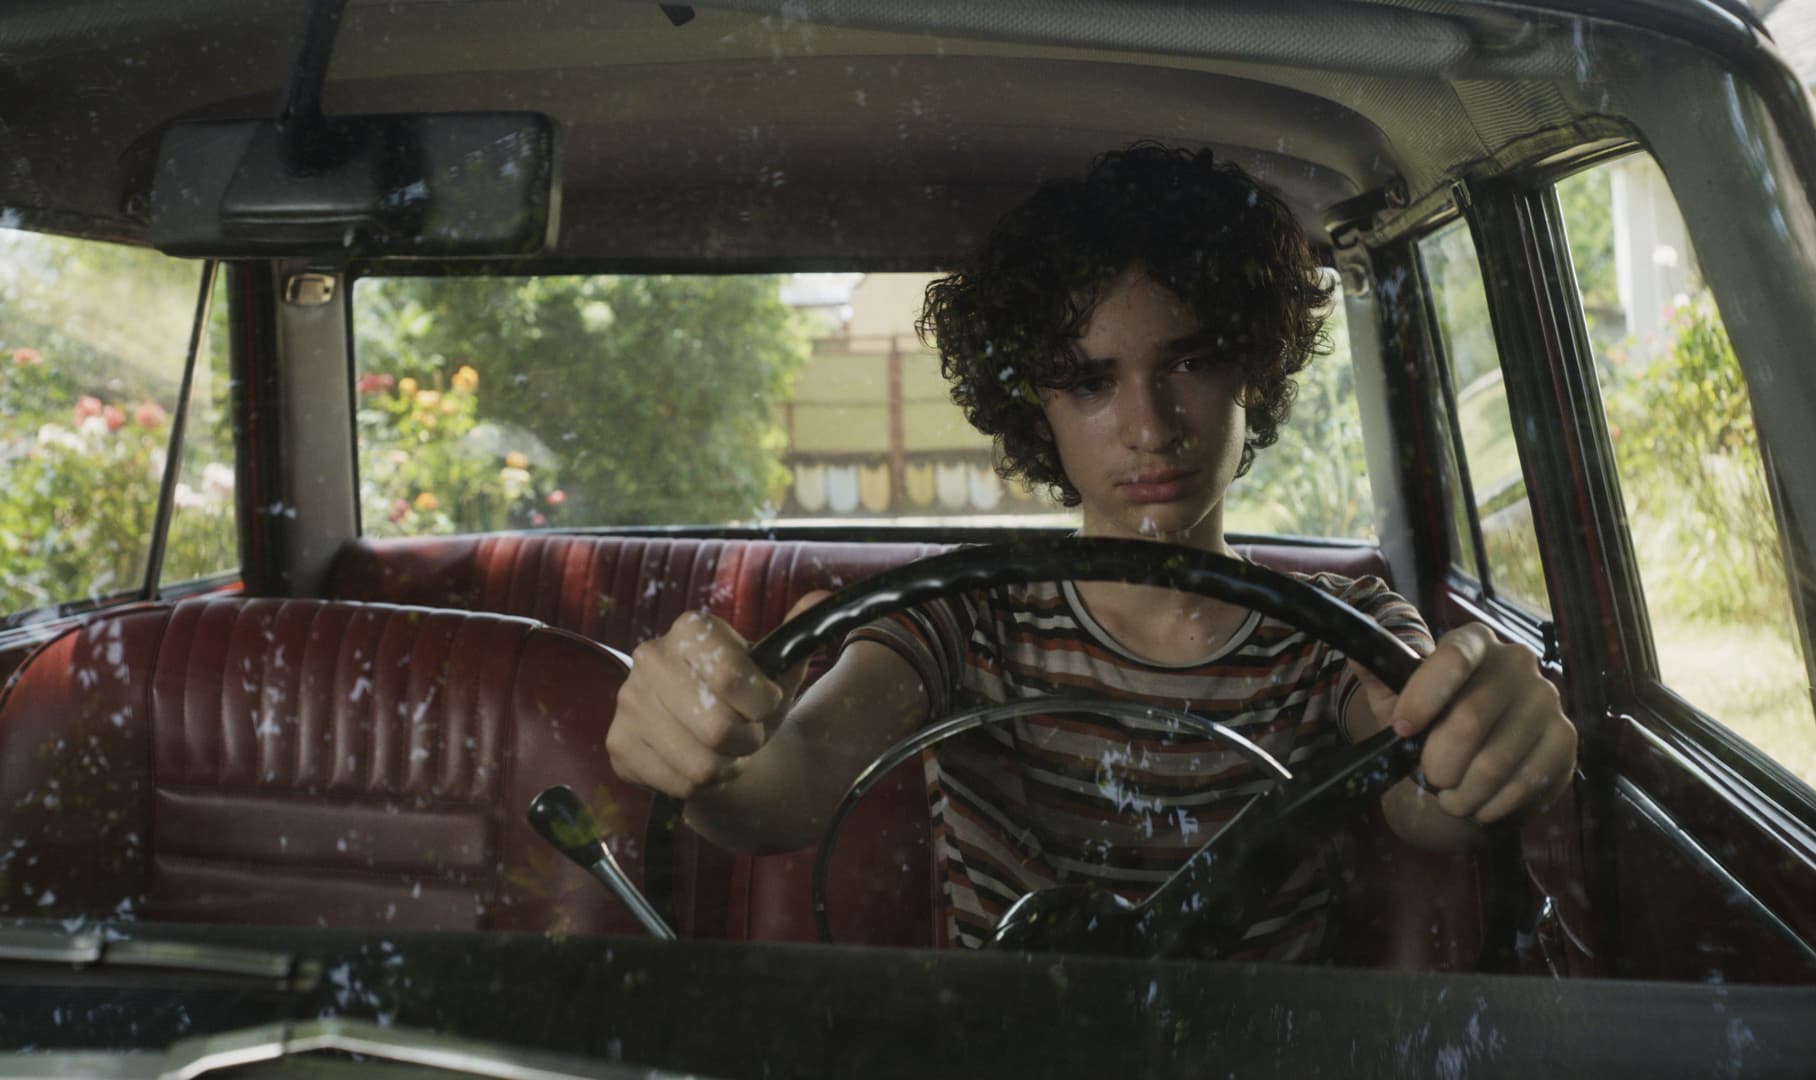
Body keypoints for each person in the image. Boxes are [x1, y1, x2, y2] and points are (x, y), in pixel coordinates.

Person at [606, 144, 1576, 958]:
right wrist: (709, 757)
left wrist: (1486, 741)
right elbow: (792, 786)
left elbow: (1425, 792)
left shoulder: (1345, 629)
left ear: (1251, 367)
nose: (1149, 428)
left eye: (1190, 359)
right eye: (1089, 382)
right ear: (1037, 409)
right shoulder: (960, 611)